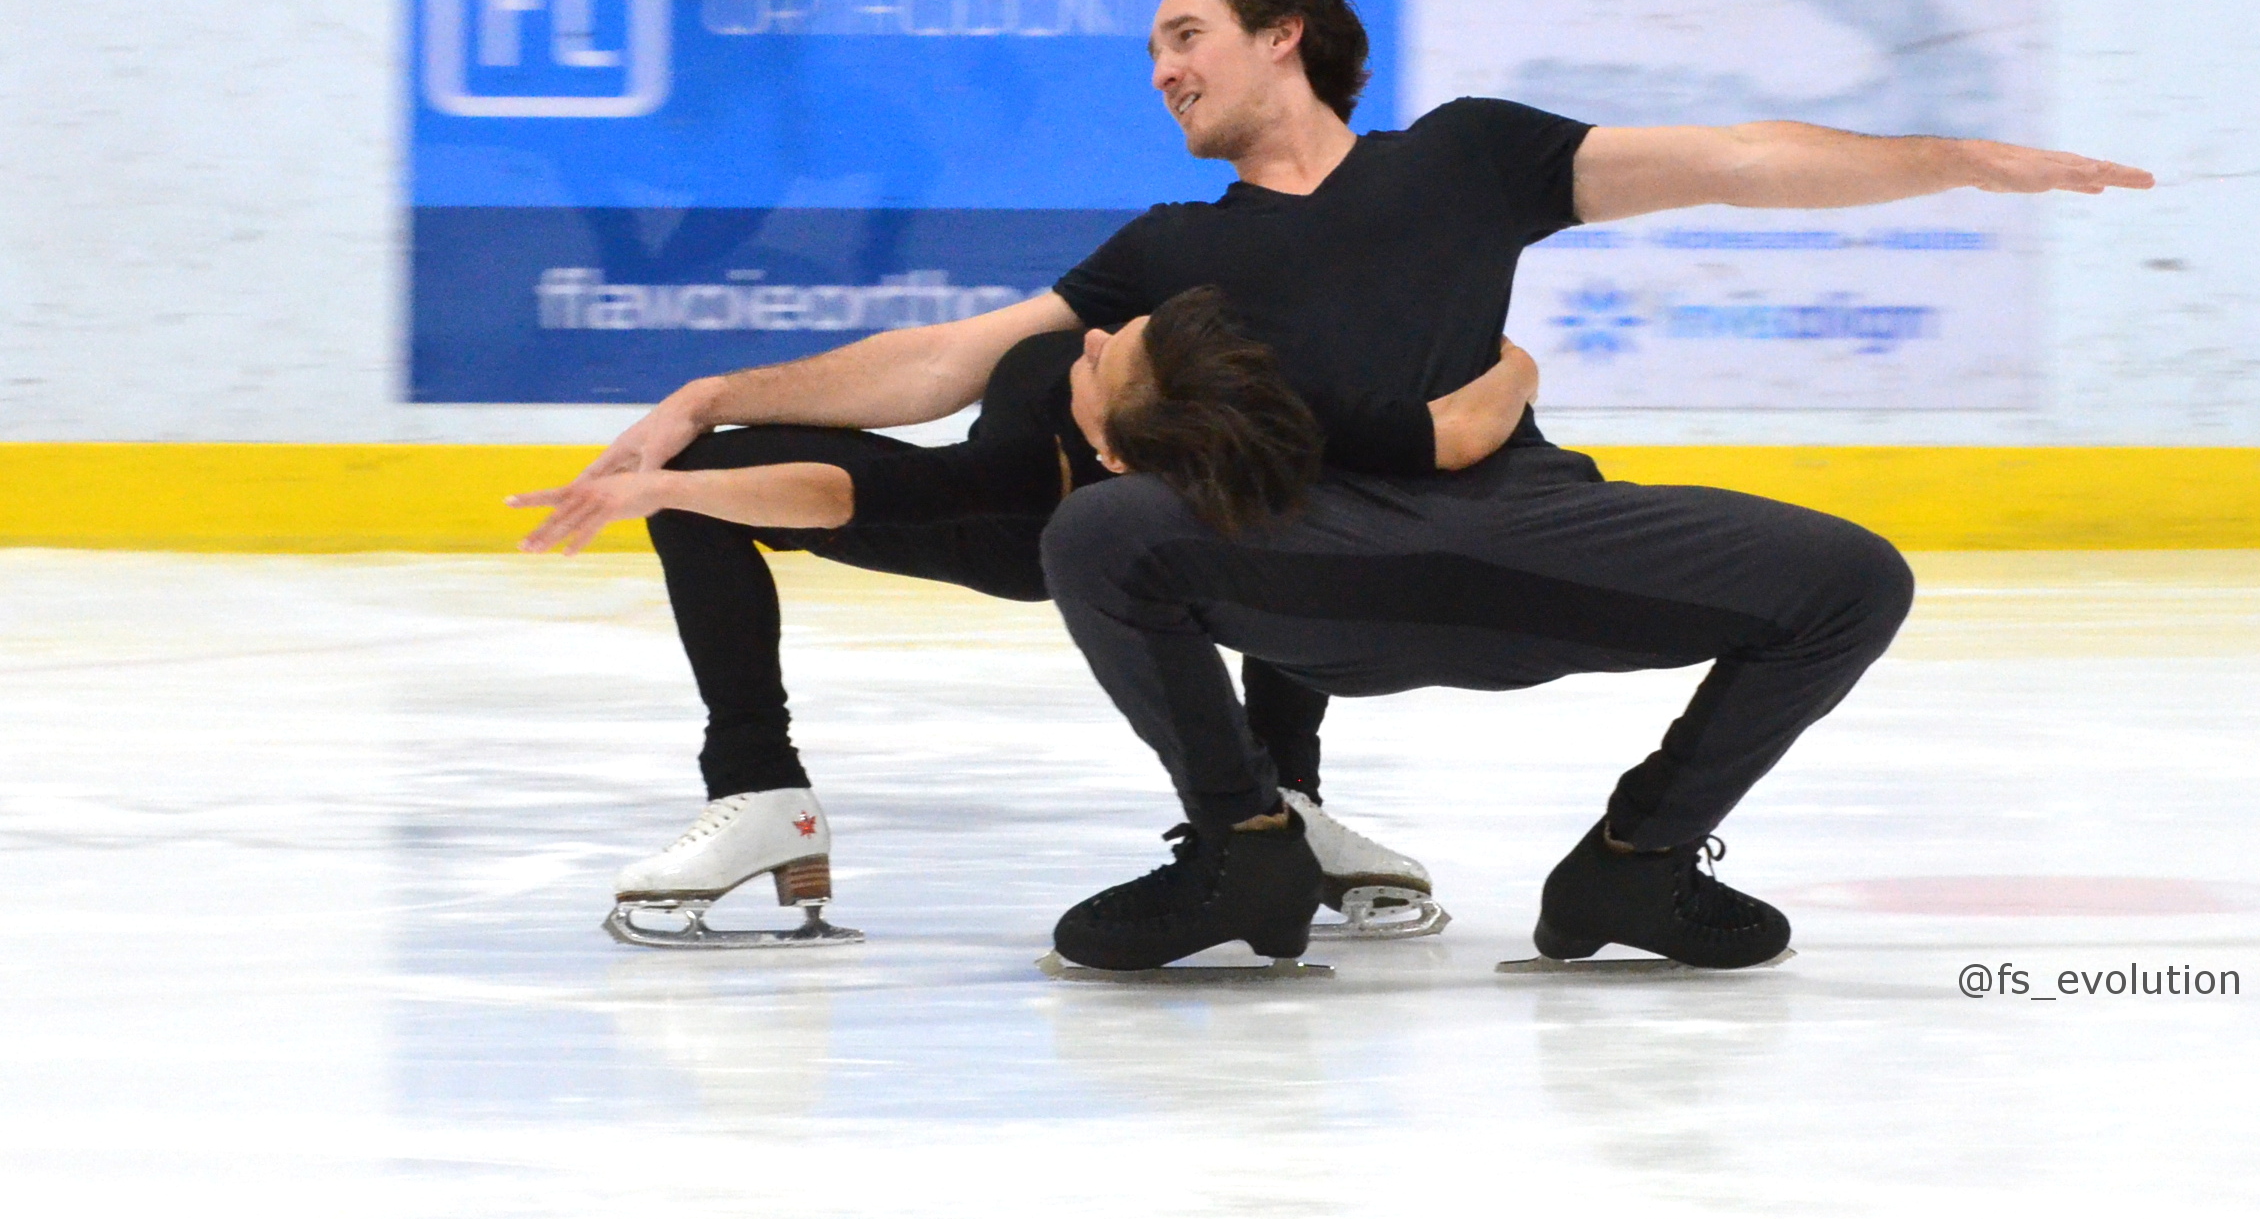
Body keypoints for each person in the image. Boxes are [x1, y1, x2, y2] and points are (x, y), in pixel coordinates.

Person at [1007, 0, 2153, 974]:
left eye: (1183, 35)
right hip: (1320, 565)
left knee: (1853, 579)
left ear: (1281, 36)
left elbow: (1738, 159)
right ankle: (1242, 848)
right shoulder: (1168, 246)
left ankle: (1635, 863)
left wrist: (1953, 158)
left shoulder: (1463, 153)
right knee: (1101, 530)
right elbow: (956, 355)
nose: (1159, 71)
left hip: (1529, 534)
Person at [511, 292, 1538, 949]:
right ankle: (761, 791)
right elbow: (886, 442)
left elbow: (848, 498)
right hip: (1003, 531)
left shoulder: (1078, 464)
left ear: (1114, 445)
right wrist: (1512, 356)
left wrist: (658, 494)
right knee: (703, 478)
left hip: (1084, 533)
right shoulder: (1137, 380)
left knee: (1287, 521)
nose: (1090, 340)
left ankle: (1286, 802)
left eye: (1100, 363)